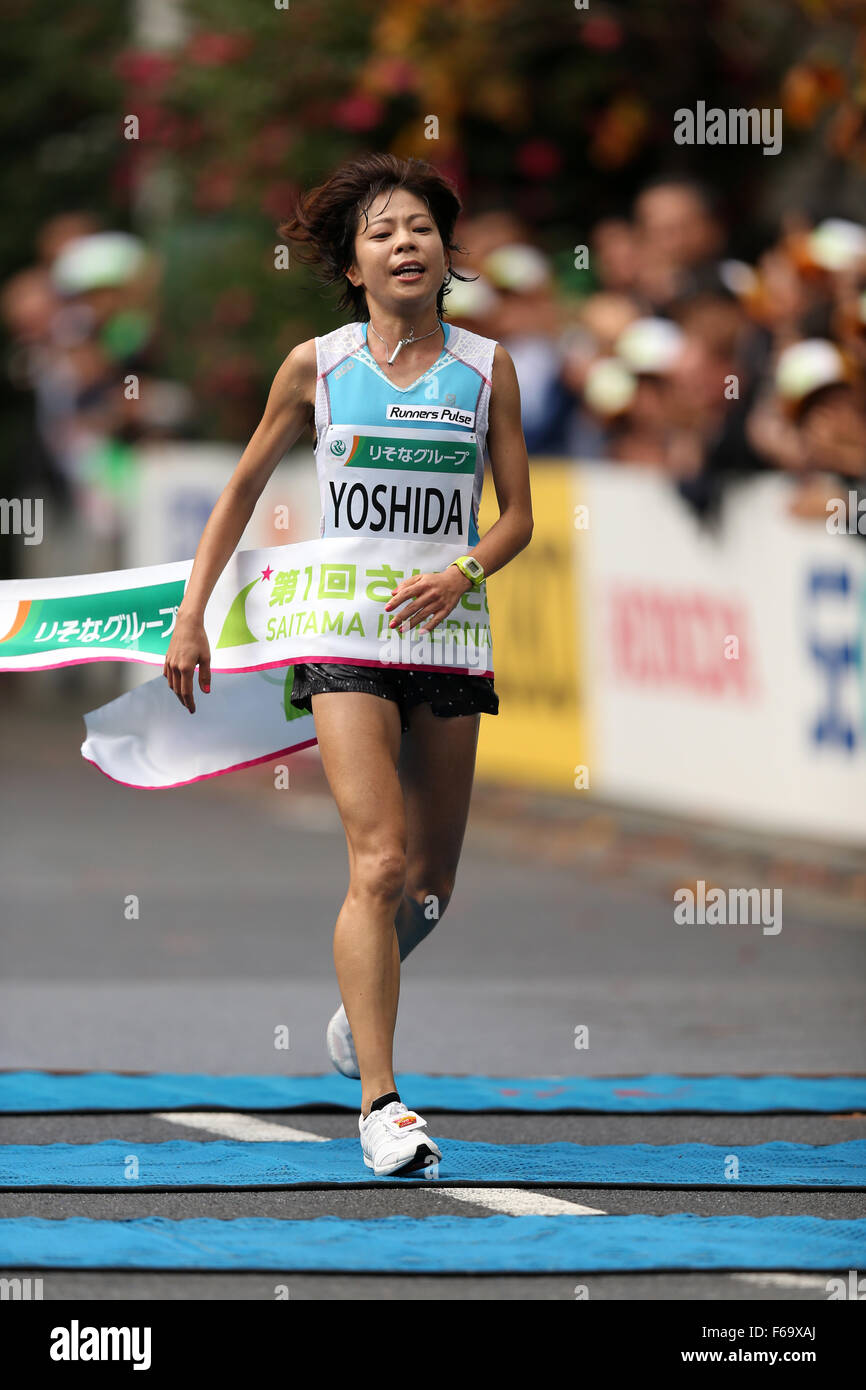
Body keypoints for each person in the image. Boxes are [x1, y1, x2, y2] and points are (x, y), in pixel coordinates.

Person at [161, 153, 534, 1176]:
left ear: (444, 254)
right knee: (375, 861)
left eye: (419, 227)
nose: (404, 243)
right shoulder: (314, 366)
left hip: (447, 636)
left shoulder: (486, 368)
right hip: (343, 634)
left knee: (431, 883)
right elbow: (238, 490)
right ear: (353, 264)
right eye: (382, 232)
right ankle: (382, 1102)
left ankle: (352, 1010)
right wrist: (192, 615)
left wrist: (461, 571)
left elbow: (519, 520)